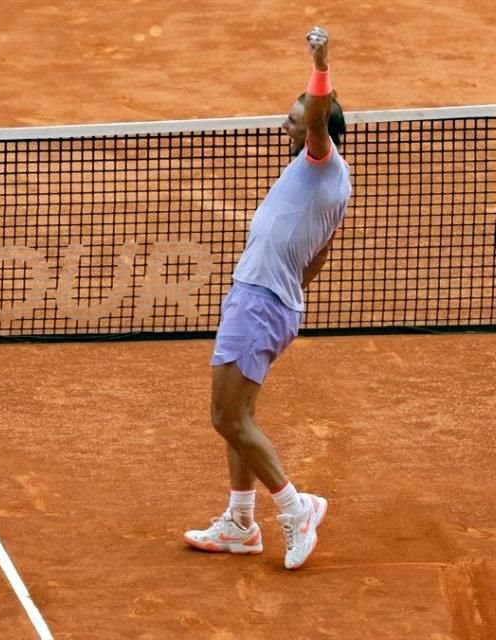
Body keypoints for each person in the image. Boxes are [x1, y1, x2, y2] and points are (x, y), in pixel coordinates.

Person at [184, 26, 351, 570]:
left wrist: (320, 64)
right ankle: (238, 522)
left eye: (296, 117)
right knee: (241, 417)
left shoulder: (319, 160)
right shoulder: (333, 185)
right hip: (271, 303)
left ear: (318, 128)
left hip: (258, 303)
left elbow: (319, 113)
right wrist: (288, 294)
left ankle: (293, 506)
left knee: (226, 418)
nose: (287, 123)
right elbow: (319, 253)